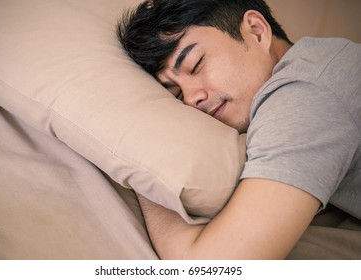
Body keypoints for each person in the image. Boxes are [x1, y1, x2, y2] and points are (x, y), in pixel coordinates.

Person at [116, 0, 361, 259]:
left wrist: (145, 172)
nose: (191, 99)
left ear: (256, 30)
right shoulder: (324, 62)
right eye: (176, 93)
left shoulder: (306, 94)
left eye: (196, 65)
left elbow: (212, 268)